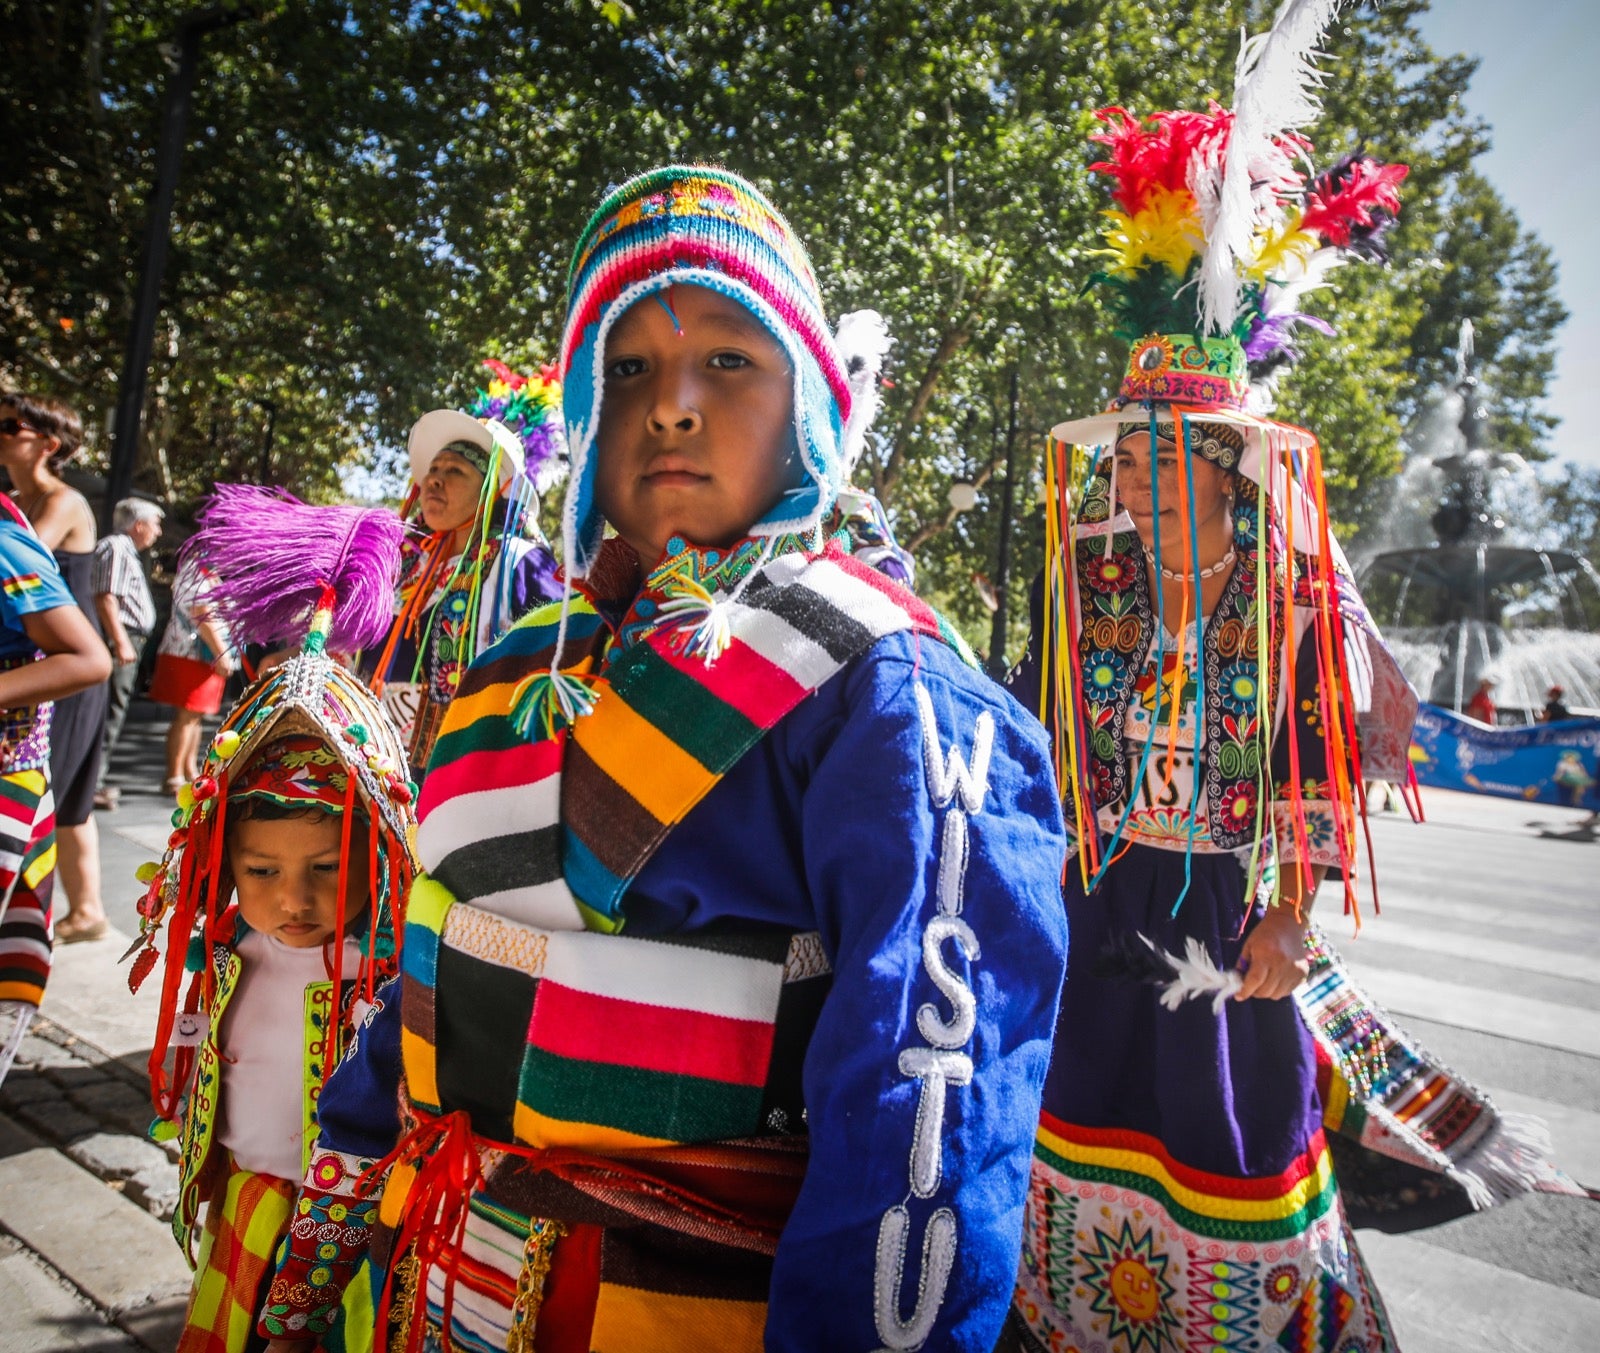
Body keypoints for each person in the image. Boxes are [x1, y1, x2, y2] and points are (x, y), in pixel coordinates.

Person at [260, 165, 1069, 1353]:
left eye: (729, 361)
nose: (672, 405)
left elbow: (932, 1096)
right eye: (628, 367)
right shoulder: (523, 661)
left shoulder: (890, 691)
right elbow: (448, 934)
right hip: (441, 1269)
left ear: (811, 409)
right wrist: (345, 1169)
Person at [1004, 71, 1420, 1353]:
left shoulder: (1290, 586)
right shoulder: (1090, 571)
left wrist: (1292, 911)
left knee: (1226, 1126)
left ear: (1217, 459)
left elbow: (1318, 752)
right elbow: (1049, 729)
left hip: (1224, 900)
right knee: (1077, 1102)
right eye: (1122, 445)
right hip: (1102, 883)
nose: (1124, 464)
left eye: (1146, 446)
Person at [124, 489, 416, 1353]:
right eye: (262, 871)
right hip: (247, 1209)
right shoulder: (221, 953)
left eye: (327, 870)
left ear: (376, 859)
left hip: (358, 1241)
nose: (294, 899)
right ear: (222, 863)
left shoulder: (393, 981)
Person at [362, 362, 564, 775]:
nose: (434, 481)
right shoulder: (402, 564)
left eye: (455, 471)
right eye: (432, 470)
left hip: (472, 769)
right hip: (382, 762)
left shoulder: (520, 563)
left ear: (493, 489)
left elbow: (558, 663)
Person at [0, 484, 112, 1083]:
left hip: (11, 767)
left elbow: (89, 654)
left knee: (74, 806)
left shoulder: (15, 538)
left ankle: (88, 908)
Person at [0, 392, 115, 943]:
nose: (0, 431)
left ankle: (57, 912)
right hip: (38, 665)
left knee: (56, 790)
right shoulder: (17, 500)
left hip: (62, 667)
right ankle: (87, 908)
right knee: (65, 796)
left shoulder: (60, 500)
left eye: (10, 424)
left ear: (47, 443)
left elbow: (23, 556)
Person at [92, 497, 164, 810]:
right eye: (155, 524)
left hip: (127, 640)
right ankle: (90, 784)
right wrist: (120, 640)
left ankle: (93, 780)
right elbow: (106, 597)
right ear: (138, 525)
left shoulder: (125, 551)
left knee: (113, 710)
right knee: (107, 709)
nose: (158, 531)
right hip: (119, 640)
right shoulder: (116, 547)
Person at [150, 555, 237, 791]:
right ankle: (174, 775)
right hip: (189, 653)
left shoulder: (210, 571)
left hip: (203, 655)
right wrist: (222, 653)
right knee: (186, 716)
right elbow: (201, 613)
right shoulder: (196, 569)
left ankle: (189, 770)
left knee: (196, 716)